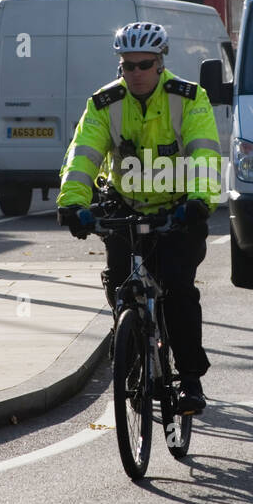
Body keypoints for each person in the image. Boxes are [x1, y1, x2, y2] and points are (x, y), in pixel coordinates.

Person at [57, 21, 221, 415]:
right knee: (121, 285)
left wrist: (200, 200)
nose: (135, 73)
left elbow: (204, 154)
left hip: (179, 208)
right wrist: (73, 203)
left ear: (160, 63)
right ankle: (131, 347)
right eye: (127, 66)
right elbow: (83, 155)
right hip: (126, 207)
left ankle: (191, 382)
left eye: (144, 65)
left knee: (179, 290)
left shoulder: (189, 98)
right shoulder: (104, 103)